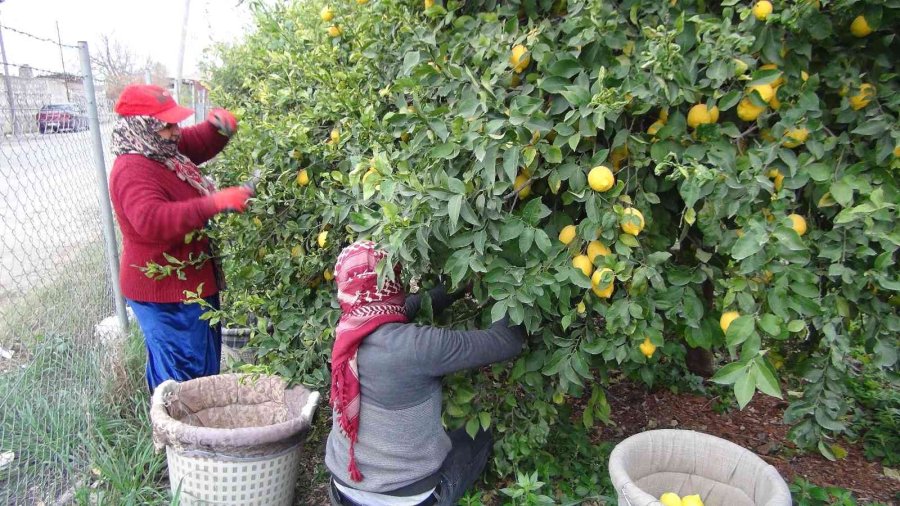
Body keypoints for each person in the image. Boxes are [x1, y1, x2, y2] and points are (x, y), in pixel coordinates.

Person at [325, 241, 525, 506]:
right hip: (410, 498)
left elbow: (407, 307)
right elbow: (507, 341)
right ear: (392, 280)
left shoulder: (347, 332)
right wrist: (509, 286)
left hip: (342, 488)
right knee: (478, 437)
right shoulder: (419, 346)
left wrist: (458, 287)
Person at [108, 84, 252, 392]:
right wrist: (214, 203)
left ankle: (195, 436)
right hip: (166, 294)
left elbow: (195, 142)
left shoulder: (161, 151)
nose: (176, 131)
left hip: (189, 285)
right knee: (182, 381)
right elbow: (151, 220)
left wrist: (218, 127)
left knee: (201, 368)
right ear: (142, 127)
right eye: (168, 125)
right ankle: (179, 438)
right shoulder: (132, 169)